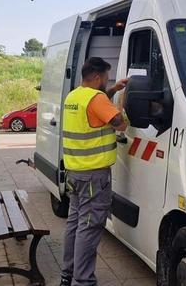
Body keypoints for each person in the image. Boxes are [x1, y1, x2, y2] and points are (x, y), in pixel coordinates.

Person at [60, 57, 129, 286]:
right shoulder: (97, 99)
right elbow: (120, 124)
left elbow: (95, 106)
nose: (107, 81)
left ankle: (67, 274)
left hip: (74, 172)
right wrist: (122, 103)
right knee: (89, 228)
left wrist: (114, 89)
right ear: (97, 77)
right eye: (107, 78)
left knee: (75, 224)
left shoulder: (74, 96)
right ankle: (83, 281)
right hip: (94, 175)